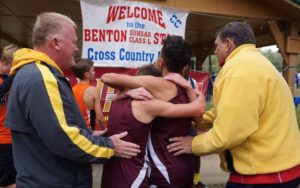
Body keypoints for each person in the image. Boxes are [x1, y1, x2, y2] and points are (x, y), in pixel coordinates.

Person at [5, 12, 140, 187]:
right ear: (56, 43)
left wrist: (89, 135)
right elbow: (64, 138)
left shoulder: (34, 73)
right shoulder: (41, 77)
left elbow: (50, 129)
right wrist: (110, 146)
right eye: (74, 42)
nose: (77, 49)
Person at [167, 22, 300, 187]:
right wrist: (196, 120)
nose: (215, 51)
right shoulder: (257, 63)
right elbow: (234, 111)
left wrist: (193, 144)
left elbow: (227, 135)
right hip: (281, 169)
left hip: (261, 176)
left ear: (228, 44)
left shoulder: (238, 70)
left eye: (217, 45)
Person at [101, 36, 202, 187]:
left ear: (161, 61)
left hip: (164, 168)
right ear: (186, 65)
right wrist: (188, 87)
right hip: (184, 164)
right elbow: (199, 118)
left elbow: (106, 77)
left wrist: (126, 93)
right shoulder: (190, 91)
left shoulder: (157, 84)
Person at [0, 44, 18, 188]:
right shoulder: (6, 81)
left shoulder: (8, 81)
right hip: (3, 138)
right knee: (9, 183)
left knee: (11, 179)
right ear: (3, 63)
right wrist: (12, 76)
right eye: (12, 67)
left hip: (11, 137)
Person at [72, 59, 106, 130]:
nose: (94, 72)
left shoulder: (71, 89)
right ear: (87, 74)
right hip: (90, 130)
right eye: (93, 70)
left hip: (76, 130)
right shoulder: (93, 90)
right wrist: (105, 130)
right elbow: (100, 117)